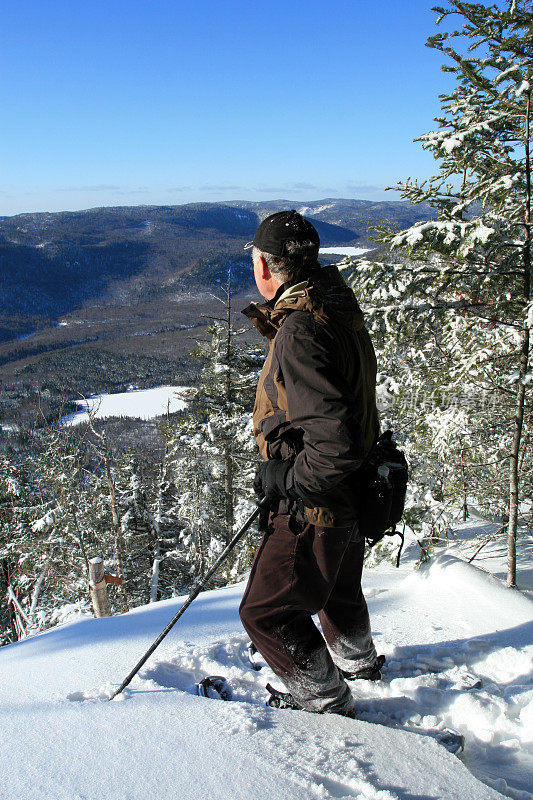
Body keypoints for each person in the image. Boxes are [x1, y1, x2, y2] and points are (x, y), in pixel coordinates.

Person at [239, 210, 383, 718]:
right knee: (338, 589)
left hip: (317, 500)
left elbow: (331, 442)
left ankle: (322, 697)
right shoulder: (335, 303)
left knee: (266, 612)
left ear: (264, 268)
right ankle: (359, 663)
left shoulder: (300, 329)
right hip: (354, 486)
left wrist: (286, 478)